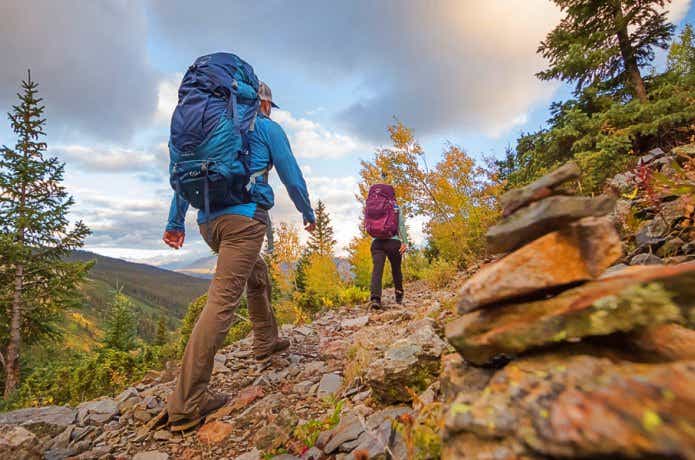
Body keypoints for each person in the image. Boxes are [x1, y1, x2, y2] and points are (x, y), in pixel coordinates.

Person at [162, 82, 316, 431]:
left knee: (255, 274)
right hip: (244, 221)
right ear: (262, 102)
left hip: (208, 222)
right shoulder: (266, 127)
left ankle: (266, 340)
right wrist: (307, 212)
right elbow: (291, 175)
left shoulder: (207, 129)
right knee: (222, 302)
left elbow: (187, 175)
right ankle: (187, 402)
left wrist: (175, 221)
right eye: (269, 106)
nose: (268, 110)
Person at [369, 176, 408, 309]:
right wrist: (405, 242)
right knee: (396, 269)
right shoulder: (396, 206)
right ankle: (399, 294)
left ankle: (375, 298)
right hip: (393, 242)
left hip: (377, 243)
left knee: (377, 270)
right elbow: (401, 225)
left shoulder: (371, 205)